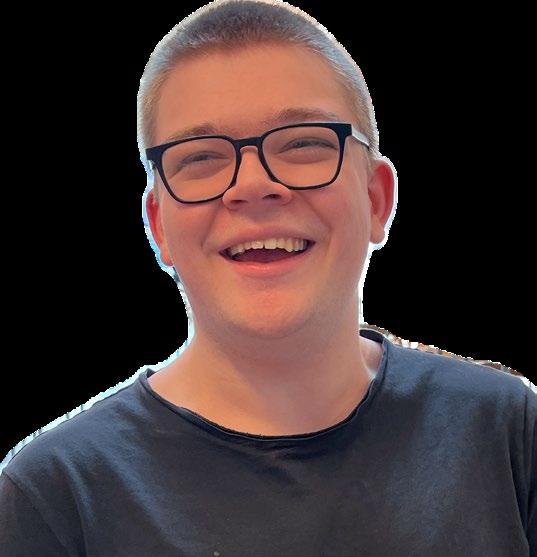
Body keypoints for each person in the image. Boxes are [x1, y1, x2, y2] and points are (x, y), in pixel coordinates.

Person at [1, 1, 535, 555]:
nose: (253, 186)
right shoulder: (56, 498)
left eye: (303, 143)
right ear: (158, 226)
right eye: (200, 158)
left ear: (377, 199)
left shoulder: (509, 435)